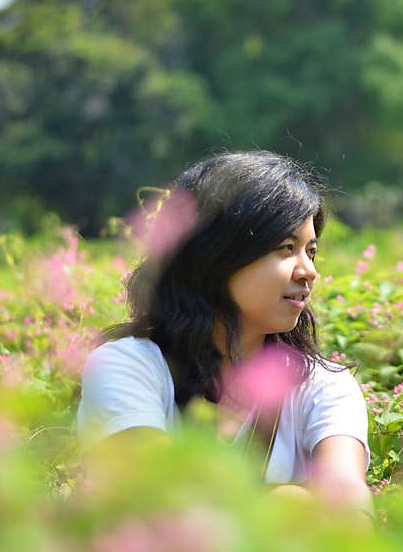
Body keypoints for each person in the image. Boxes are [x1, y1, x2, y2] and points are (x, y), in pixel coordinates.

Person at [76, 150, 373, 524]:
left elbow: (348, 500)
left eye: (311, 251)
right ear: (218, 255)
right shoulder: (128, 367)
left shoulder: (323, 385)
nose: (308, 271)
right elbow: (158, 495)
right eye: (286, 248)